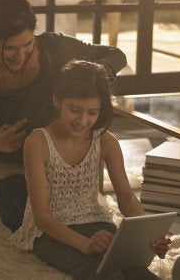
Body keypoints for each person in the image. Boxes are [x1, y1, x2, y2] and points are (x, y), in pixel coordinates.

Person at [0, 0, 127, 232]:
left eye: (27, 44)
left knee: (69, 216)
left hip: (59, 160)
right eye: (10, 49)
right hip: (11, 164)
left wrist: (88, 77)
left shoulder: (53, 46)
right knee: (23, 222)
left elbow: (116, 54)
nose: (21, 55)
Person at [10, 60, 171, 279]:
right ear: (57, 100)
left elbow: (126, 197)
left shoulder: (106, 141)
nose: (83, 121)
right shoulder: (38, 143)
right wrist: (84, 244)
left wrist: (149, 237)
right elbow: (42, 217)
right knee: (102, 274)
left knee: (137, 270)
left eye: (92, 113)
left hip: (96, 221)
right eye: (74, 110)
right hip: (48, 232)